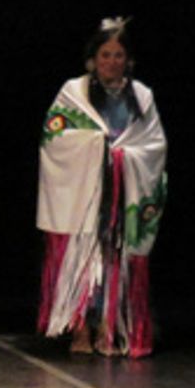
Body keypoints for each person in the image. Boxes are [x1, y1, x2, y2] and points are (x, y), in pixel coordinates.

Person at [37, 18, 167, 356]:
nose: (112, 61)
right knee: (82, 259)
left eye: (118, 55)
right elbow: (55, 136)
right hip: (84, 195)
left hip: (123, 194)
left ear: (129, 61)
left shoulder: (142, 97)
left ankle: (110, 329)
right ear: (92, 60)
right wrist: (96, 145)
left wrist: (123, 155)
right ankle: (81, 329)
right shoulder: (74, 92)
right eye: (105, 55)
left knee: (115, 261)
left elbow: (154, 145)